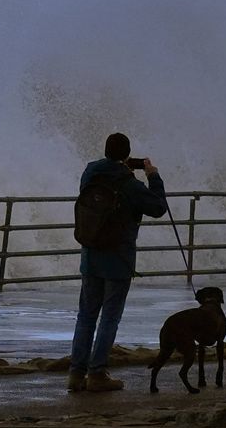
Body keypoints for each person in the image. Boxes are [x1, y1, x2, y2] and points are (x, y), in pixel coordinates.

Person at [68, 132, 168, 392]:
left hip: (90, 255)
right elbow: (157, 207)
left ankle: (76, 374)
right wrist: (152, 176)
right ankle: (97, 374)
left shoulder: (90, 173)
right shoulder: (128, 183)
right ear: (126, 155)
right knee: (109, 318)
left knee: (86, 316)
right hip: (118, 258)